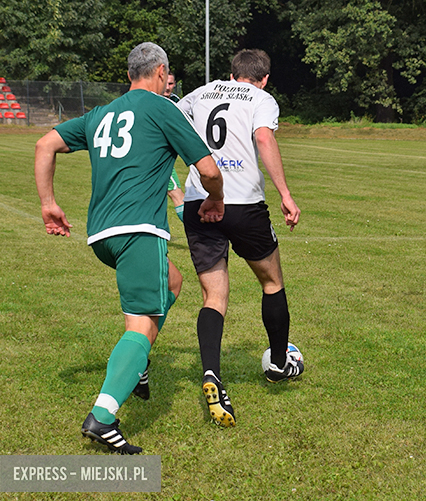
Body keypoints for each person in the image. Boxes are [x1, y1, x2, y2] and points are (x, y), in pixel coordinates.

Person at [34, 42, 224, 454]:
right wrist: (216, 197)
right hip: (139, 231)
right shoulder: (162, 108)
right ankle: (102, 417)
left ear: (129, 75)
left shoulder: (101, 114)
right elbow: (208, 169)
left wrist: (49, 204)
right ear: (160, 72)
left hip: (102, 235)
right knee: (141, 324)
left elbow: (44, 145)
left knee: (171, 283)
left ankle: (135, 368)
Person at [178, 49, 302, 428]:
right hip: (243, 205)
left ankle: (212, 374)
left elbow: (170, 122)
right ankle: (280, 363)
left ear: (231, 74)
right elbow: (263, 138)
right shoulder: (262, 99)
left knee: (213, 296)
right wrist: (284, 192)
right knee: (271, 281)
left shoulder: (200, 93)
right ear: (263, 79)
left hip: (199, 201)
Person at [163, 72, 186, 221]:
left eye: (171, 84)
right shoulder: (150, 100)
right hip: (157, 158)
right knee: (177, 195)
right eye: (165, 83)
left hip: (167, 156)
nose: (167, 87)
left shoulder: (177, 102)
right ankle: (198, 234)